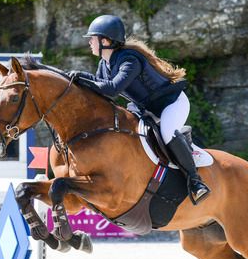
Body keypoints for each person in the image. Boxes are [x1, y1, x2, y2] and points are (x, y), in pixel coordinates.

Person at [69, 14, 211, 204]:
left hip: (171, 104)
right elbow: (99, 87)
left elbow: (112, 89)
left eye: (92, 39)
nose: (89, 43)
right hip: (146, 108)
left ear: (105, 41)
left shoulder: (130, 60)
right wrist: (75, 78)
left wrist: (82, 77)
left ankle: (195, 182)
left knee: (167, 132)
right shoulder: (105, 63)